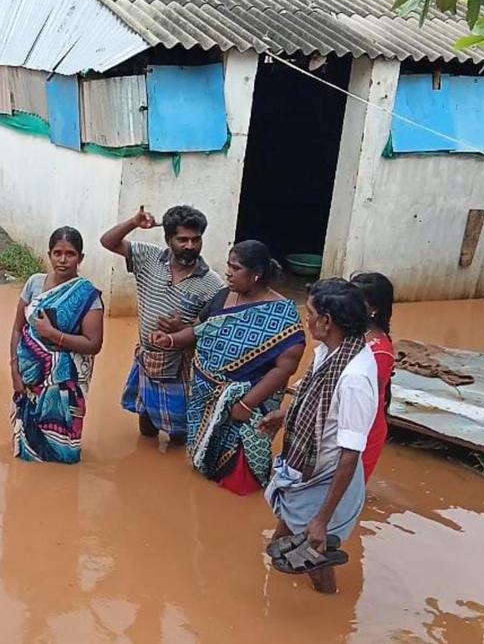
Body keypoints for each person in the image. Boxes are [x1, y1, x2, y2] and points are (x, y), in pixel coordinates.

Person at [152, 241, 306, 495]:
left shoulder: (281, 317)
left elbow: (284, 369)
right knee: (204, 463)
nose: (228, 273)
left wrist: (245, 404)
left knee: (238, 481)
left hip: (247, 404)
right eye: (228, 266)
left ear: (256, 274)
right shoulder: (223, 296)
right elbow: (201, 330)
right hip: (206, 398)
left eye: (236, 268)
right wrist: (170, 340)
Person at [260, 278, 377, 594]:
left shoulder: (354, 378)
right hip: (305, 471)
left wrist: (322, 519)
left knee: (313, 561)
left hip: (323, 480)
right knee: (281, 545)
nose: (306, 318)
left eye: (310, 313)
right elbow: (319, 403)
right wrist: (286, 415)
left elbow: (350, 453)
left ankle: (331, 615)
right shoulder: (330, 351)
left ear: (327, 321)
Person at [100, 206, 224, 450]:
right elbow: (107, 241)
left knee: (179, 431)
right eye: (182, 239)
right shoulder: (148, 258)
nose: (190, 245)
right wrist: (134, 222)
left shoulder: (213, 285)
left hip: (181, 365)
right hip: (147, 357)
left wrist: (184, 328)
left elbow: (216, 332)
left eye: (195, 239)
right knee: (146, 427)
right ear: (168, 240)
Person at [10, 227, 104, 464]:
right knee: (28, 447)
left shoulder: (87, 296)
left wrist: (52, 334)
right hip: (31, 378)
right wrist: (14, 370)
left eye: (70, 254)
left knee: (64, 452)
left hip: (65, 383)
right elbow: (16, 329)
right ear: (49, 254)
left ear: (80, 258)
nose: (63, 260)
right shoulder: (34, 283)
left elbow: (93, 344)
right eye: (57, 253)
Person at [351, 272, 396, 482]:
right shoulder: (354, 334)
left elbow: (365, 403)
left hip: (362, 431)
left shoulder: (379, 352)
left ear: (374, 309)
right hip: (348, 425)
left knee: (346, 494)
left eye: (357, 303)